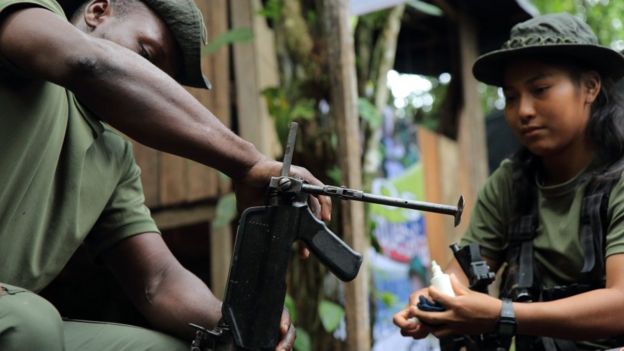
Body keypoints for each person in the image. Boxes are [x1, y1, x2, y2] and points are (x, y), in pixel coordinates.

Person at [0, 0, 331, 349]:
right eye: (145, 55)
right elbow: (88, 61)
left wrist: (242, 322)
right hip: (23, 320)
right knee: (32, 324)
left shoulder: (114, 158)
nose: (147, 82)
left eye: (161, 79)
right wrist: (246, 162)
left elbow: (158, 281)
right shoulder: (28, 14)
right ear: (98, 11)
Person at [394, 12, 624, 350]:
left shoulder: (619, 177)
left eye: (540, 89)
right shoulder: (510, 183)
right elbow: (458, 278)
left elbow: (620, 305)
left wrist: (502, 314)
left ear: (590, 86)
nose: (523, 111)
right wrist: (432, 303)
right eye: (511, 96)